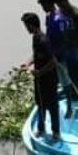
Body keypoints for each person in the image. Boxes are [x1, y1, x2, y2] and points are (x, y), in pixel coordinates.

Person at [21, 12, 60, 141]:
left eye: (26, 25)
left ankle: (56, 132)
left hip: (49, 78)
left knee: (52, 105)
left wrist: (40, 72)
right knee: (40, 104)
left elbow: (53, 62)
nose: (26, 28)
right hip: (40, 79)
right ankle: (41, 128)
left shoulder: (44, 40)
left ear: (31, 25)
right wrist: (28, 63)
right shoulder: (35, 38)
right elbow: (35, 55)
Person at [37, 0, 73, 118]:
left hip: (60, 55)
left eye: (43, 5)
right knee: (52, 80)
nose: (43, 8)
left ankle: (70, 106)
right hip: (51, 54)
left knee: (65, 81)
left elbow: (65, 38)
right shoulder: (48, 17)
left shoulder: (60, 18)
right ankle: (51, 103)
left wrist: (57, 55)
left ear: (49, 3)